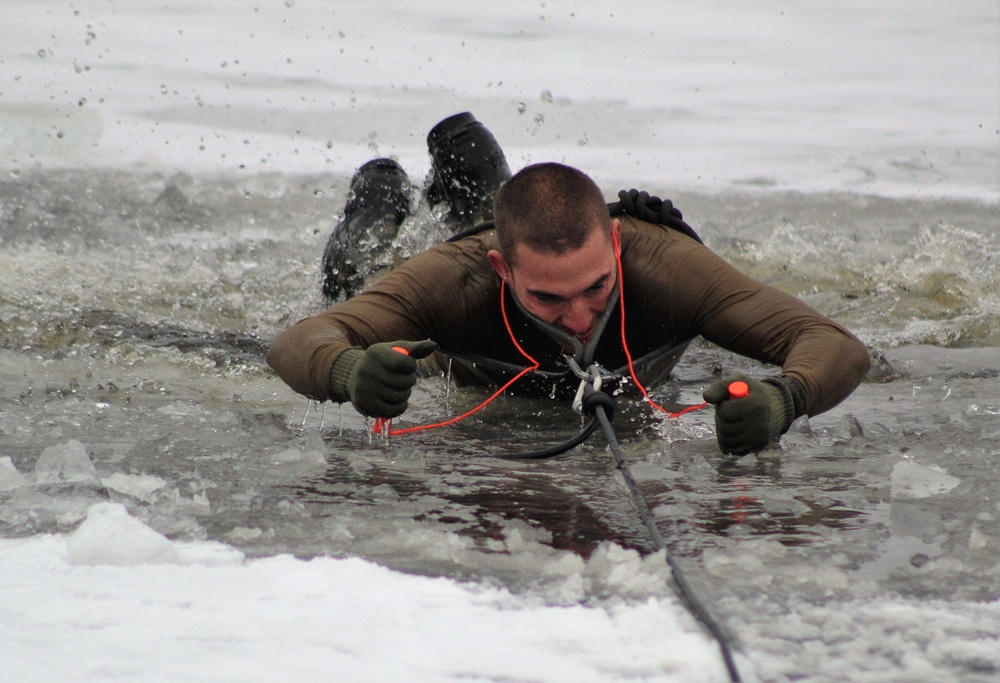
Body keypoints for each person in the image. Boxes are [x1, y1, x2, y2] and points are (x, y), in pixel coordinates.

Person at [267, 113, 871, 455]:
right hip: (473, 245)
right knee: (354, 271)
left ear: (614, 244)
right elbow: (298, 340)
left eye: (596, 289)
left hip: (529, 230)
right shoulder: (457, 280)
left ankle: (465, 150)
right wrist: (349, 373)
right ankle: (379, 189)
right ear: (504, 271)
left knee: (488, 196)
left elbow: (833, 345)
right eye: (548, 298)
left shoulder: (665, 266)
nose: (580, 318)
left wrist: (786, 399)